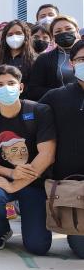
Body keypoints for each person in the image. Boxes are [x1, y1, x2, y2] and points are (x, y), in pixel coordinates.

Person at [0, 65, 55, 254]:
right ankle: (2, 229)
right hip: (3, 179)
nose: (6, 88)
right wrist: (10, 174)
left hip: (34, 183)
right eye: (0, 85)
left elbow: (47, 155)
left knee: (38, 247)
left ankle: (21, 207)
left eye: (11, 83)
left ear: (21, 87)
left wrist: (15, 185)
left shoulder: (40, 112)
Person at [39, 40, 84, 258]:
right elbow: (26, 116)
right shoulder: (56, 97)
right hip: (70, 190)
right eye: (82, 59)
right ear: (73, 64)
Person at [28, 15, 81, 101]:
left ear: (77, 31)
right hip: (59, 108)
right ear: (53, 37)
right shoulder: (44, 59)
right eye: (58, 31)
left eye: (68, 29)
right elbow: (34, 90)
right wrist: (61, 93)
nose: (64, 32)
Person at [0, 20, 35, 100]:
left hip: (28, 107)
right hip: (1, 107)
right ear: (5, 38)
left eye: (18, 33)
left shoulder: (35, 60)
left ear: (26, 35)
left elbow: (37, 88)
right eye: (10, 34)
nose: (14, 37)